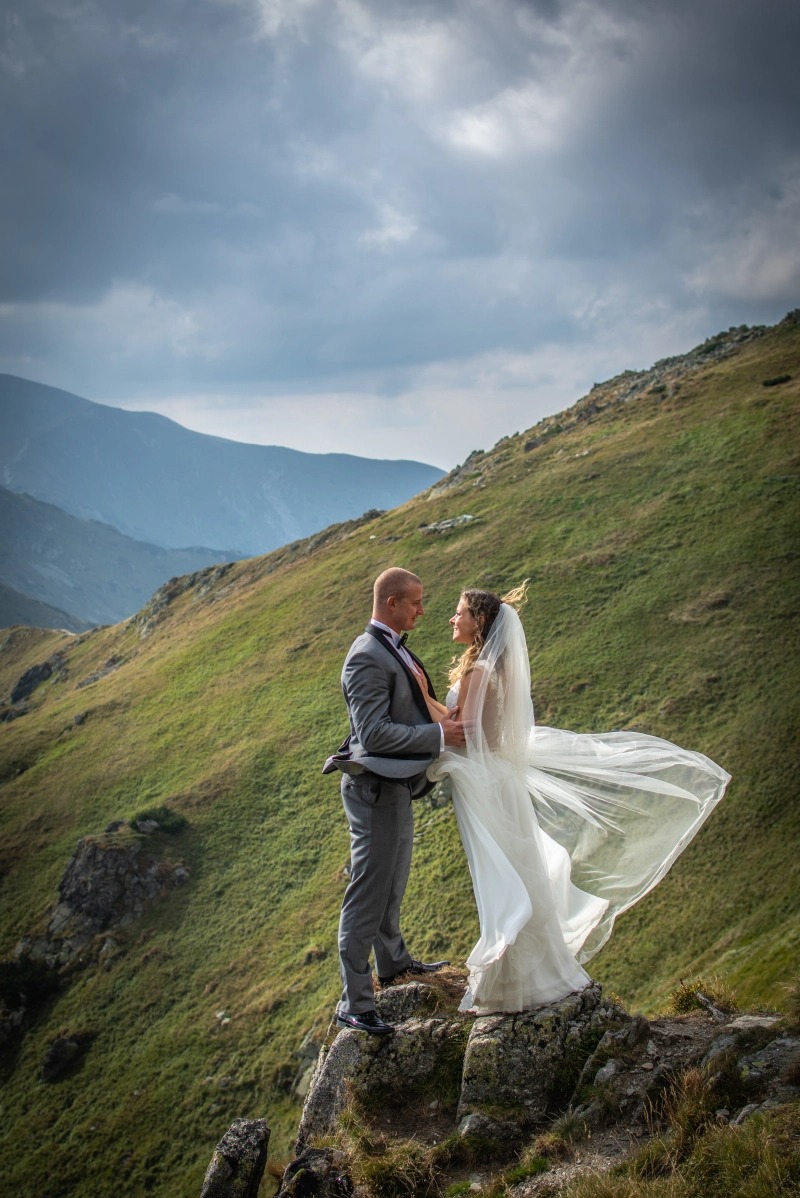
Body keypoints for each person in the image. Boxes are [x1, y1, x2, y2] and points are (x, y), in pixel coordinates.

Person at [417, 583, 731, 1015]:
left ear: (480, 622)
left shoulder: (477, 672)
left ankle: (511, 976)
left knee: (500, 873)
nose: (452, 619)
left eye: (459, 613)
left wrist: (422, 697)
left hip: (483, 781)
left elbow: (463, 732)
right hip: (500, 779)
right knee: (517, 869)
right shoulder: (497, 669)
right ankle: (531, 970)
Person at [323, 567, 467, 1034]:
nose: (423, 611)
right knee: (366, 894)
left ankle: (394, 965)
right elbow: (373, 734)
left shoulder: (391, 647)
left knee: (392, 883)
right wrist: (438, 734)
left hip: (395, 787)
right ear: (391, 604)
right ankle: (355, 1001)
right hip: (373, 790)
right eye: (416, 602)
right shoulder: (366, 656)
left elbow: (411, 702)